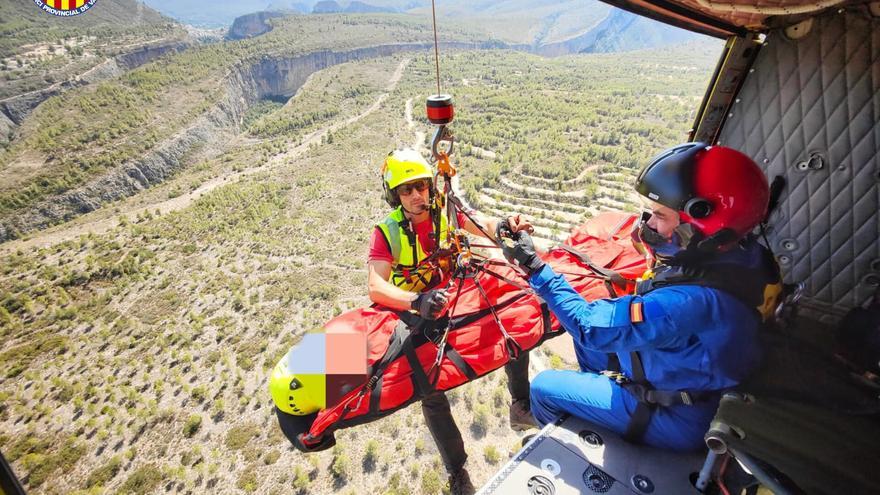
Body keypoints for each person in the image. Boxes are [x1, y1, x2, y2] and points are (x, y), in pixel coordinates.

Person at [501, 143, 781, 451]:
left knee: (544, 388)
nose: (648, 223)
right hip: (693, 371)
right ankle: (595, 405)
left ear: (704, 226)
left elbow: (589, 326)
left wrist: (533, 265)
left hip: (677, 414)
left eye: (661, 216)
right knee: (587, 345)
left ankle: (557, 438)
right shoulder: (746, 255)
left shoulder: (687, 303)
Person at [367, 148, 535, 494]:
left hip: (452, 293)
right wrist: (416, 301)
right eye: (406, 190)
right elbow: (375, 286)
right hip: (415, 308)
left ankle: (521, 403)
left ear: (430, 187)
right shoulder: (387, 232)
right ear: (395, 196)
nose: (417, 196)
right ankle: (457, 470)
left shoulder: (445, 211)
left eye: (422, 187)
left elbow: (480, 223)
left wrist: (504, 225)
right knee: (429, 387)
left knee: (513, 320)